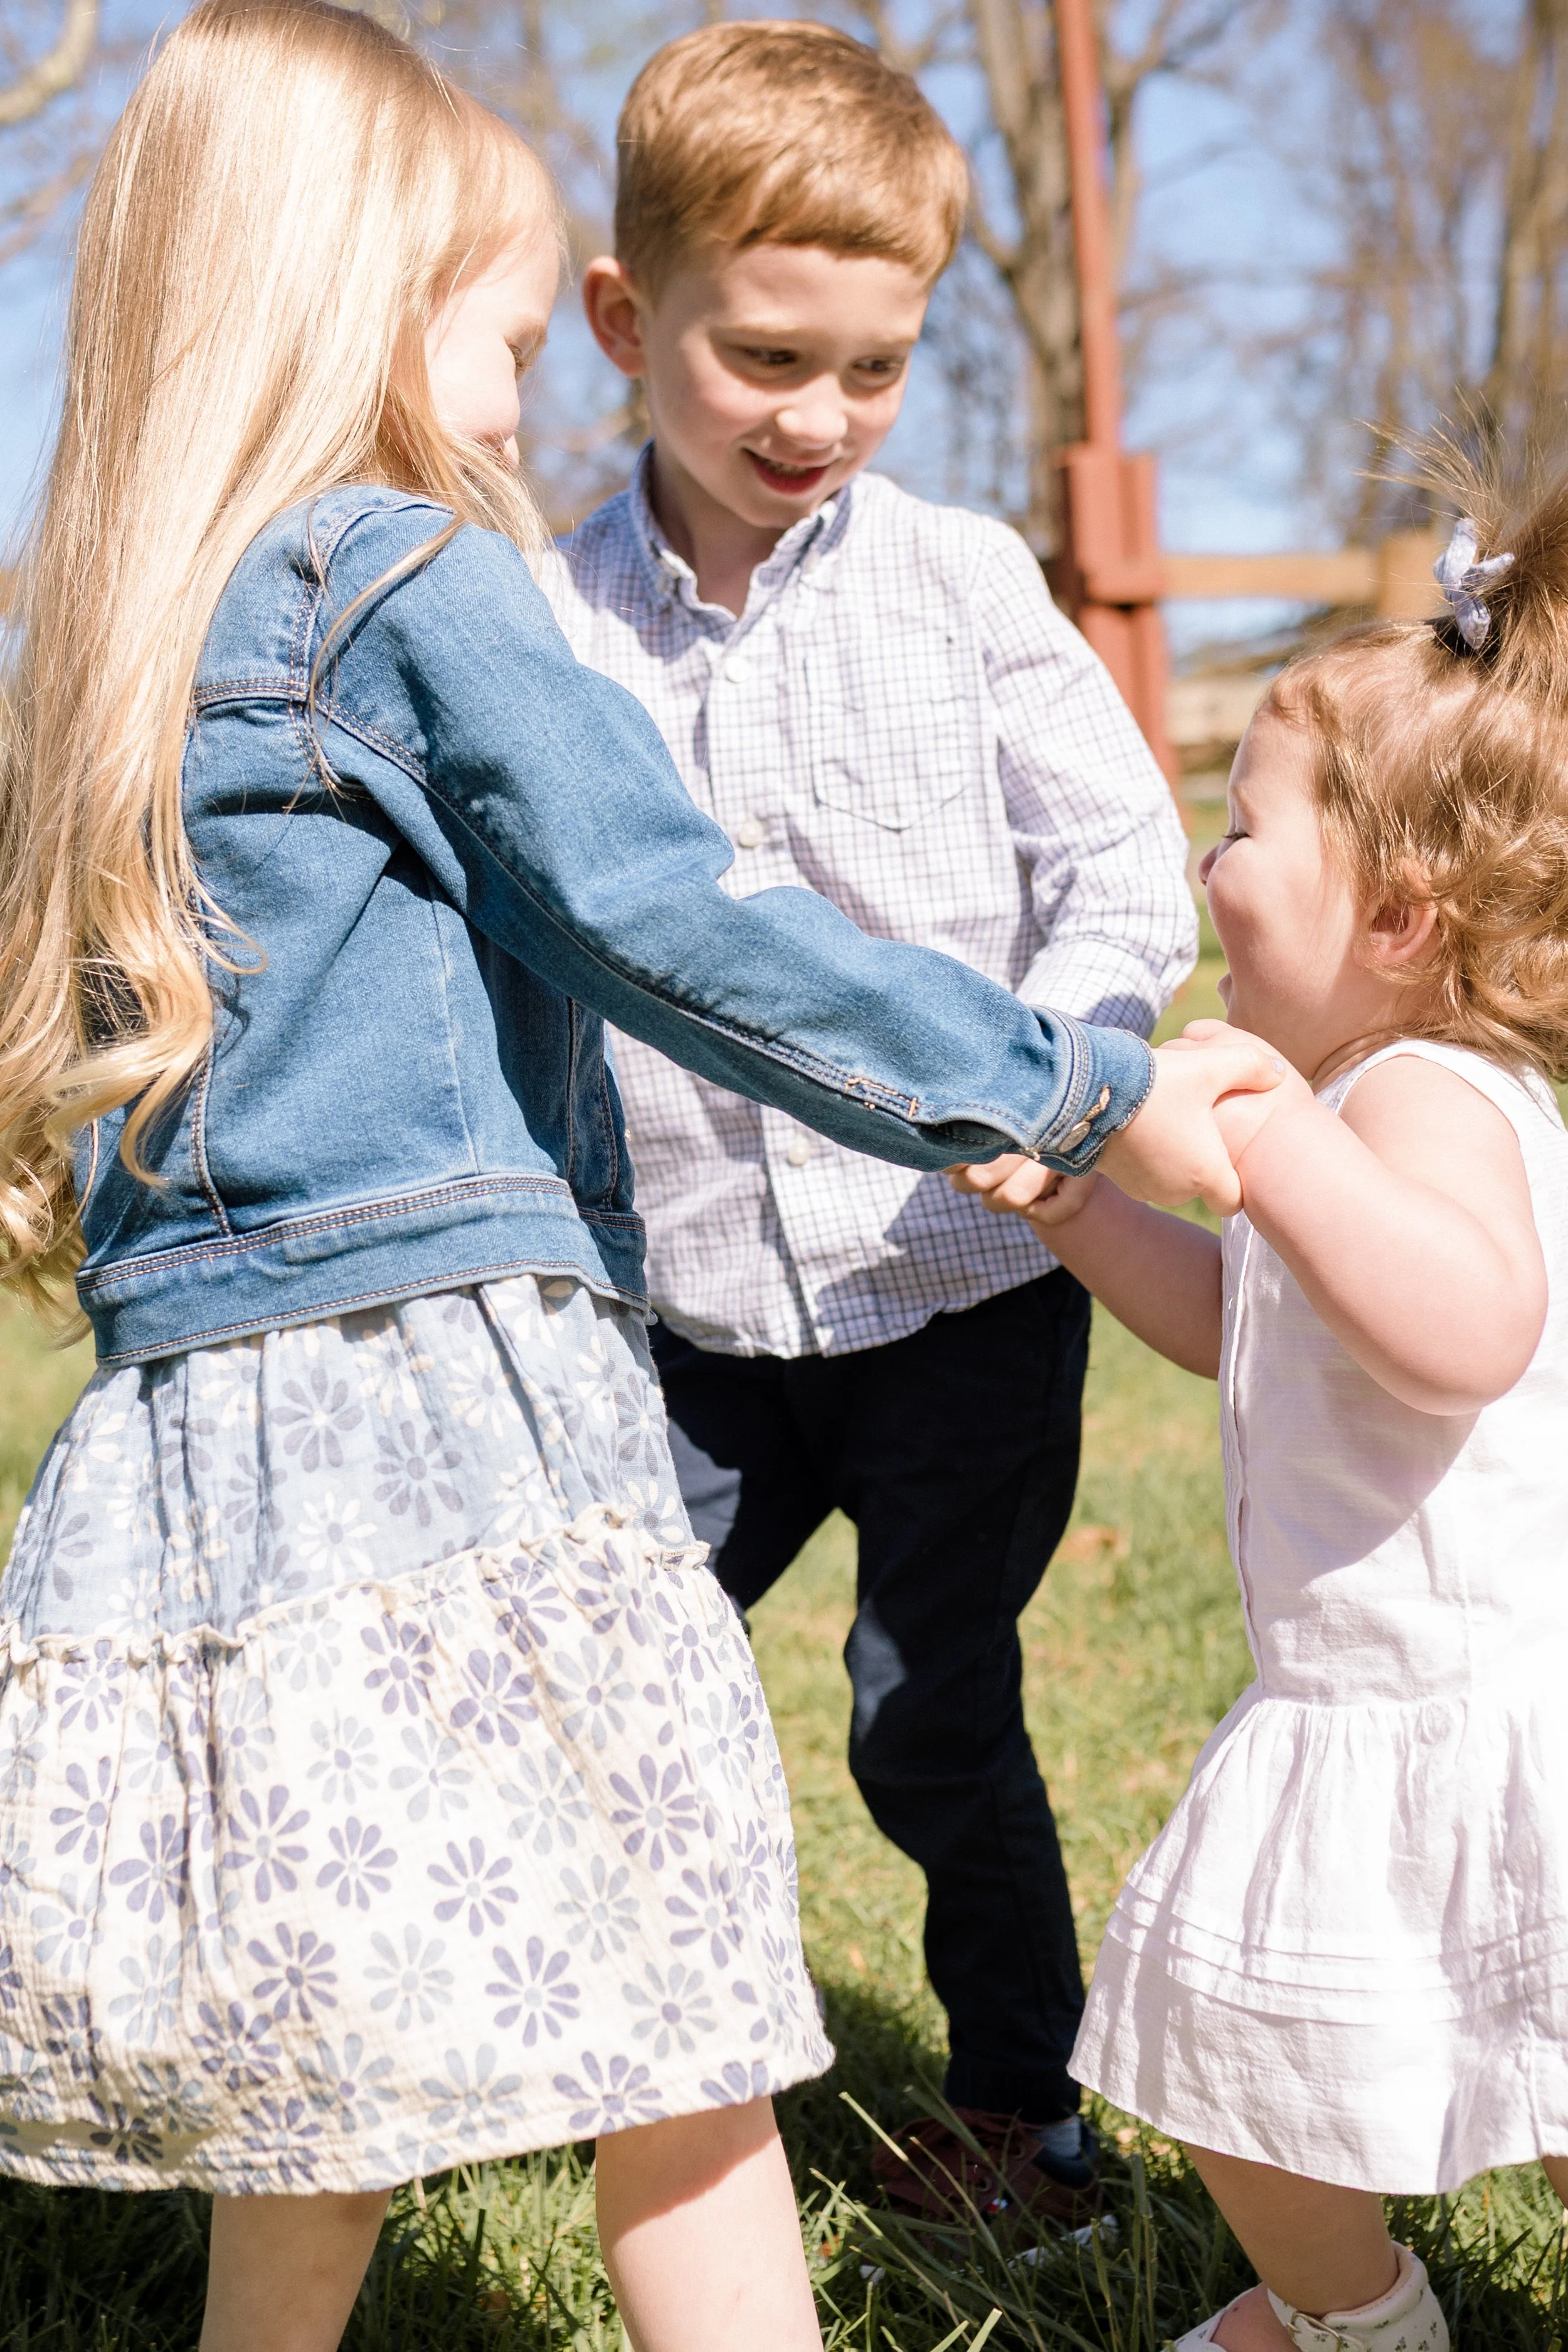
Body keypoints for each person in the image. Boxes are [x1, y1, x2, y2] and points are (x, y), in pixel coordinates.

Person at [0, 5, 1275, 2349]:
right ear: (365, 307)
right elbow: (670, 918)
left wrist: (1062, 1046)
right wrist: (1085, 1098)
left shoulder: (136, 622)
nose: (509, 397)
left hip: (228, 1434)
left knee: (335, 2033)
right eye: (496, 335)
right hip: (488, 1384)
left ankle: (1018, 2099)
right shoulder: (410, 580)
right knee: (680, 1998)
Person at [545, 19, 1197, 2218]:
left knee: (931, 1708)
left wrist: (1067, 1067)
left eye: (875, 367)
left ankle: (1029, 2111)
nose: (818, 418)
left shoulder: (961, 581)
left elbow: (1122, 869)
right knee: (601, 1684)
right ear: (628, 318)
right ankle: (611, 2061)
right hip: (682, 1309)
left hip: (961, 1287)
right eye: (763, 357)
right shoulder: (545, 629)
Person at [956, 472, 1568, 2349]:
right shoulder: (1366, 1111)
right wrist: (1079, 1207)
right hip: (1388, 1699)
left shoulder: (1421, 1099)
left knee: (1267, 2061)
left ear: (1391, 912)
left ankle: (1354, 2319)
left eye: (1240, 826)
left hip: (1461, 1705)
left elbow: (1466, 1325)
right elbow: (1249, 1316)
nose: (1210, 868)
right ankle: (1354, 2315)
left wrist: (1279, 1138)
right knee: (1264, 2083)